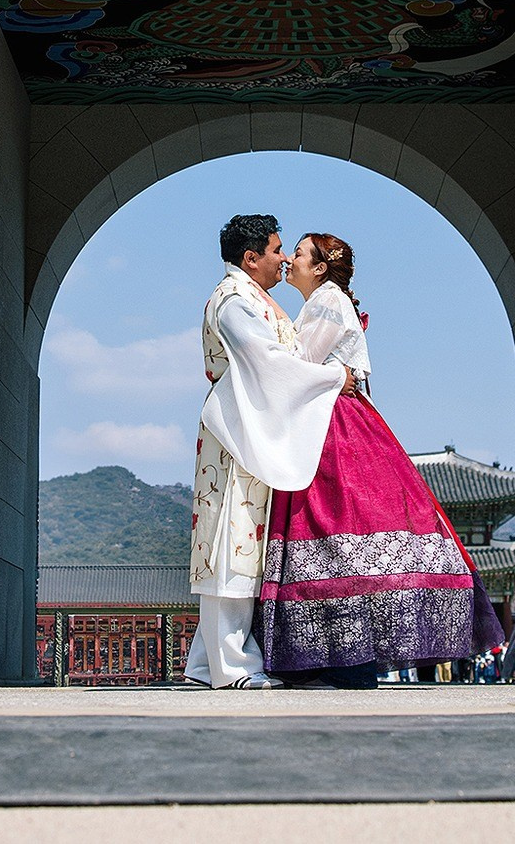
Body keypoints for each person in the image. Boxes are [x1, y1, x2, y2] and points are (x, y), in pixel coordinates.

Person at [257, 233, 502, 688]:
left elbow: (302, 363)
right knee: (339, 535)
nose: (289, 258)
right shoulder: (322, 301)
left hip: (333, 425)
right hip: (330, 417)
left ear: (321, 268)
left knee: (336, 528)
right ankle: (341, 656)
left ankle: (345, 658)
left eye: (299, 252)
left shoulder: (328, 301)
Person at [184, 215, 353, 689]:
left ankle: (203, 665)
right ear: (250, 258)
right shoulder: (235, 301)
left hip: (254, 424)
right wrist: (335, 378)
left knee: (241, 542)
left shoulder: (257, 298)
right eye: (277, 250)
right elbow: (269, 364)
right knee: (230, 542)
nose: (283, 260)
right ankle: (234, 668)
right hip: (236, 429)